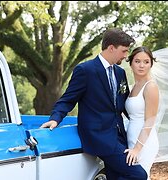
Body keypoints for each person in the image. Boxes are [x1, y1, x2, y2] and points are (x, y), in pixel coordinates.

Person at [41, 28, 148, 180]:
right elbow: (68, 99)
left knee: (115, 175)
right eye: (124, 51)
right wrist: (55, 118)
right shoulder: (85, 70)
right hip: (98, 136)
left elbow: (123, 104)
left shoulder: (120, 73)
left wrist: (142, 123)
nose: (126, 56)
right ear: (111, 48)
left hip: (119, 136)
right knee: (138, 174)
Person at [124, 46, 160, 180]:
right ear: (131, 63)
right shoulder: (134, 86)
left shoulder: (151, 87)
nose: (141, 66)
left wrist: (137, 149)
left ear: (151, 64)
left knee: (141, 176)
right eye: (137, 61)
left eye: (146, 62)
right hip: (132, 137)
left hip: (145, 142)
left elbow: (150, 120)